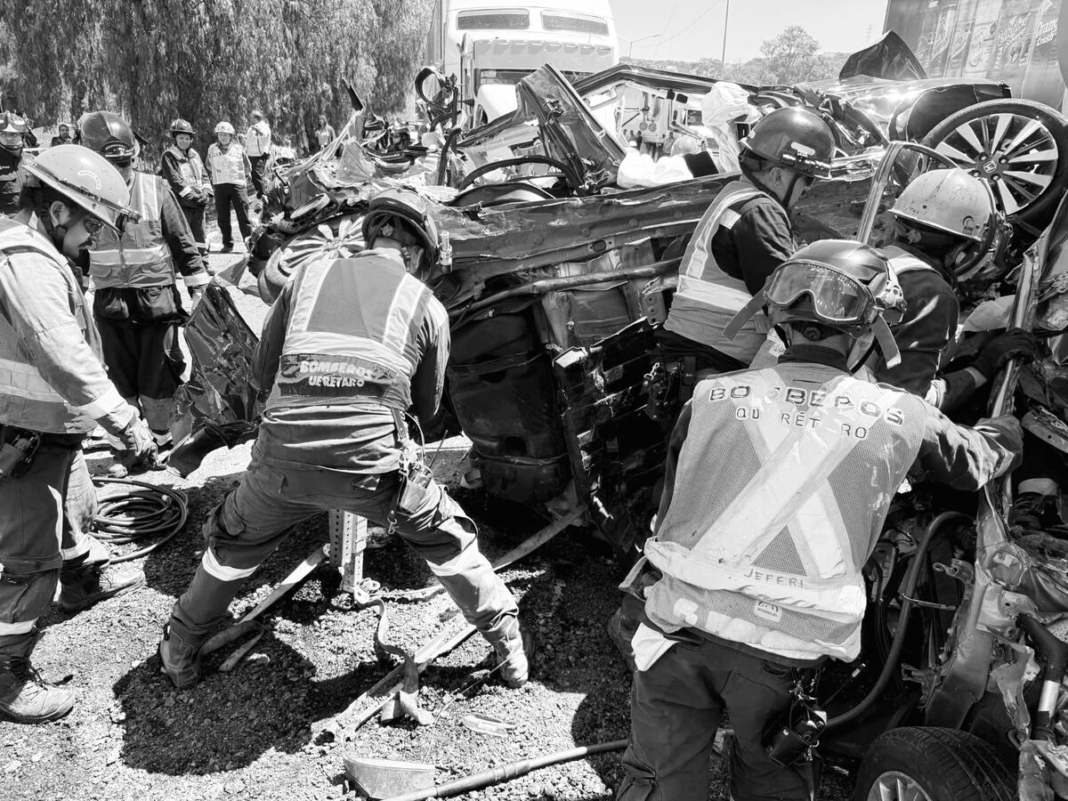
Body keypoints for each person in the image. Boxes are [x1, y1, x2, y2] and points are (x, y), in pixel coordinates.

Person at [615, 240, 1021, 801]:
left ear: (778, 323)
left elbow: (670, 508)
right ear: (872, 331)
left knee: (660, 781)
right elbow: (974, 462)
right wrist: (1010, 429)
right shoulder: (900, 416)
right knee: (769, 778)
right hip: (779, 652)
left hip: (673, 631)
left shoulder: (710, 397)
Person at [159, 189, 529, 690]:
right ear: (418, 254)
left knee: (232, 547)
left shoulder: (308, 276)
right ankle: (509, 650)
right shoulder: (427, 304)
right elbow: (428, 409)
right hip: (373, 470)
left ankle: (179, 651)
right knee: (449, 542)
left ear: (370, 235)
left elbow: (264, 372)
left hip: (281, 464)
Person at [0, 145, 157, 723]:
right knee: (26, 558)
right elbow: (61, 354)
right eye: (91, 222)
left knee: (74, 508)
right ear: (59, 210)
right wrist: (124, 421)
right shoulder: (25, 260)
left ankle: (80, 579)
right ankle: (6, 672)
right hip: (19, 434)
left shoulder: (34, 249)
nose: (94, 237)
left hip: (47, 431)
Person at [659, 106, 836, 375]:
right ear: (778, 176)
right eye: (807, 179)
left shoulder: (734, 195)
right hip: (716, 360)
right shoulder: (760, 211)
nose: (807, 189)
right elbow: (788, 298)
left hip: (693, 354)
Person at [79, 111, 210, 453]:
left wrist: (199, 288)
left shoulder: (155, 188)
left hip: (157, 301)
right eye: (112, 167)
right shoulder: (80, 195)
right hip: (109, 302)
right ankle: (127, 443)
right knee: (118, 375)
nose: (120, 174)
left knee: (160, 372)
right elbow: (73, 251)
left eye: (125, 165)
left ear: (133, 155)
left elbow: (182, 241)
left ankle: (163, 440)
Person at [874, 168, 1038, 409]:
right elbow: (904, 405)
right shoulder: (931, 293)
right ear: (962, 250)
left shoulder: (864, 259)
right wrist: (981, 369)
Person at [160, 118, 212, 258]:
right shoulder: (169, 156)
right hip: (180, 203)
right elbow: (175, 180)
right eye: (181, 138)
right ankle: (177, 267)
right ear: (174, 139)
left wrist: (206, 193)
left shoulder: (195, 155)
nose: (184, 141)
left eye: (187, 138)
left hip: (198, 202)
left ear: (191, 140)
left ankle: (203, 262)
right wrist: (192, 196)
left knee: (200, 233)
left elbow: (204, 175)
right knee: (180, 235)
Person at [206, 121, 253, 253]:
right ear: (217, 135)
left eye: (226, 135)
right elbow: (208, 165)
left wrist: (244, 179)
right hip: (220, 186)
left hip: (237, 185)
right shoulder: (212, 149)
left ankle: (249, 242)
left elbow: (248, 166)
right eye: (221, 134)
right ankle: (227, 243)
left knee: (243, 215)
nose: (223, 137)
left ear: (231, 136)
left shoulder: (239, 149)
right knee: (223, 217)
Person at [0, 112, 27, 217]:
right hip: (6, 229)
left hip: (32, 228)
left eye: (13, 134)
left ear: (22, 136)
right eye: (3, 134)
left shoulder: (33, 162)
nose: (9, 138)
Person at [244, 109, 271, 199]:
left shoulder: (262, 126)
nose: (250, 119)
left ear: (256, 118)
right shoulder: (253, 126)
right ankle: (260, 192)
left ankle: (264, 194)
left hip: (259, 154)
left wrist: (257, 130)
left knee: (257, 174)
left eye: (251, 117)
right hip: (252, 154)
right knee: (253, 174)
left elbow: (264, 135)